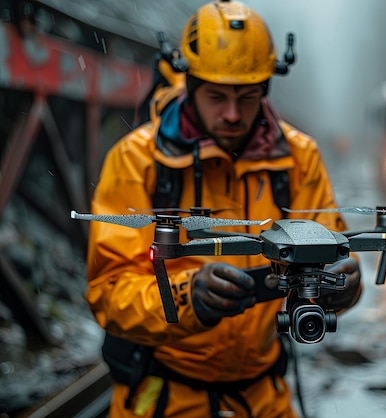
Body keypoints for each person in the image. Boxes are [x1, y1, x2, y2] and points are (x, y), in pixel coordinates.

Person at [84, 1, 362, 417]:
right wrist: (185, 297)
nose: (232, 115)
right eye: (217, 96)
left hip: (264, 399)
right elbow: (108, 292)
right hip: (164, 398)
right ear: (189, 84)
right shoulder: (136, 160)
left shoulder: (299, 158)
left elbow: (332, 252)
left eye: (247, 97)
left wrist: (343, 285)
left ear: (266, 88)